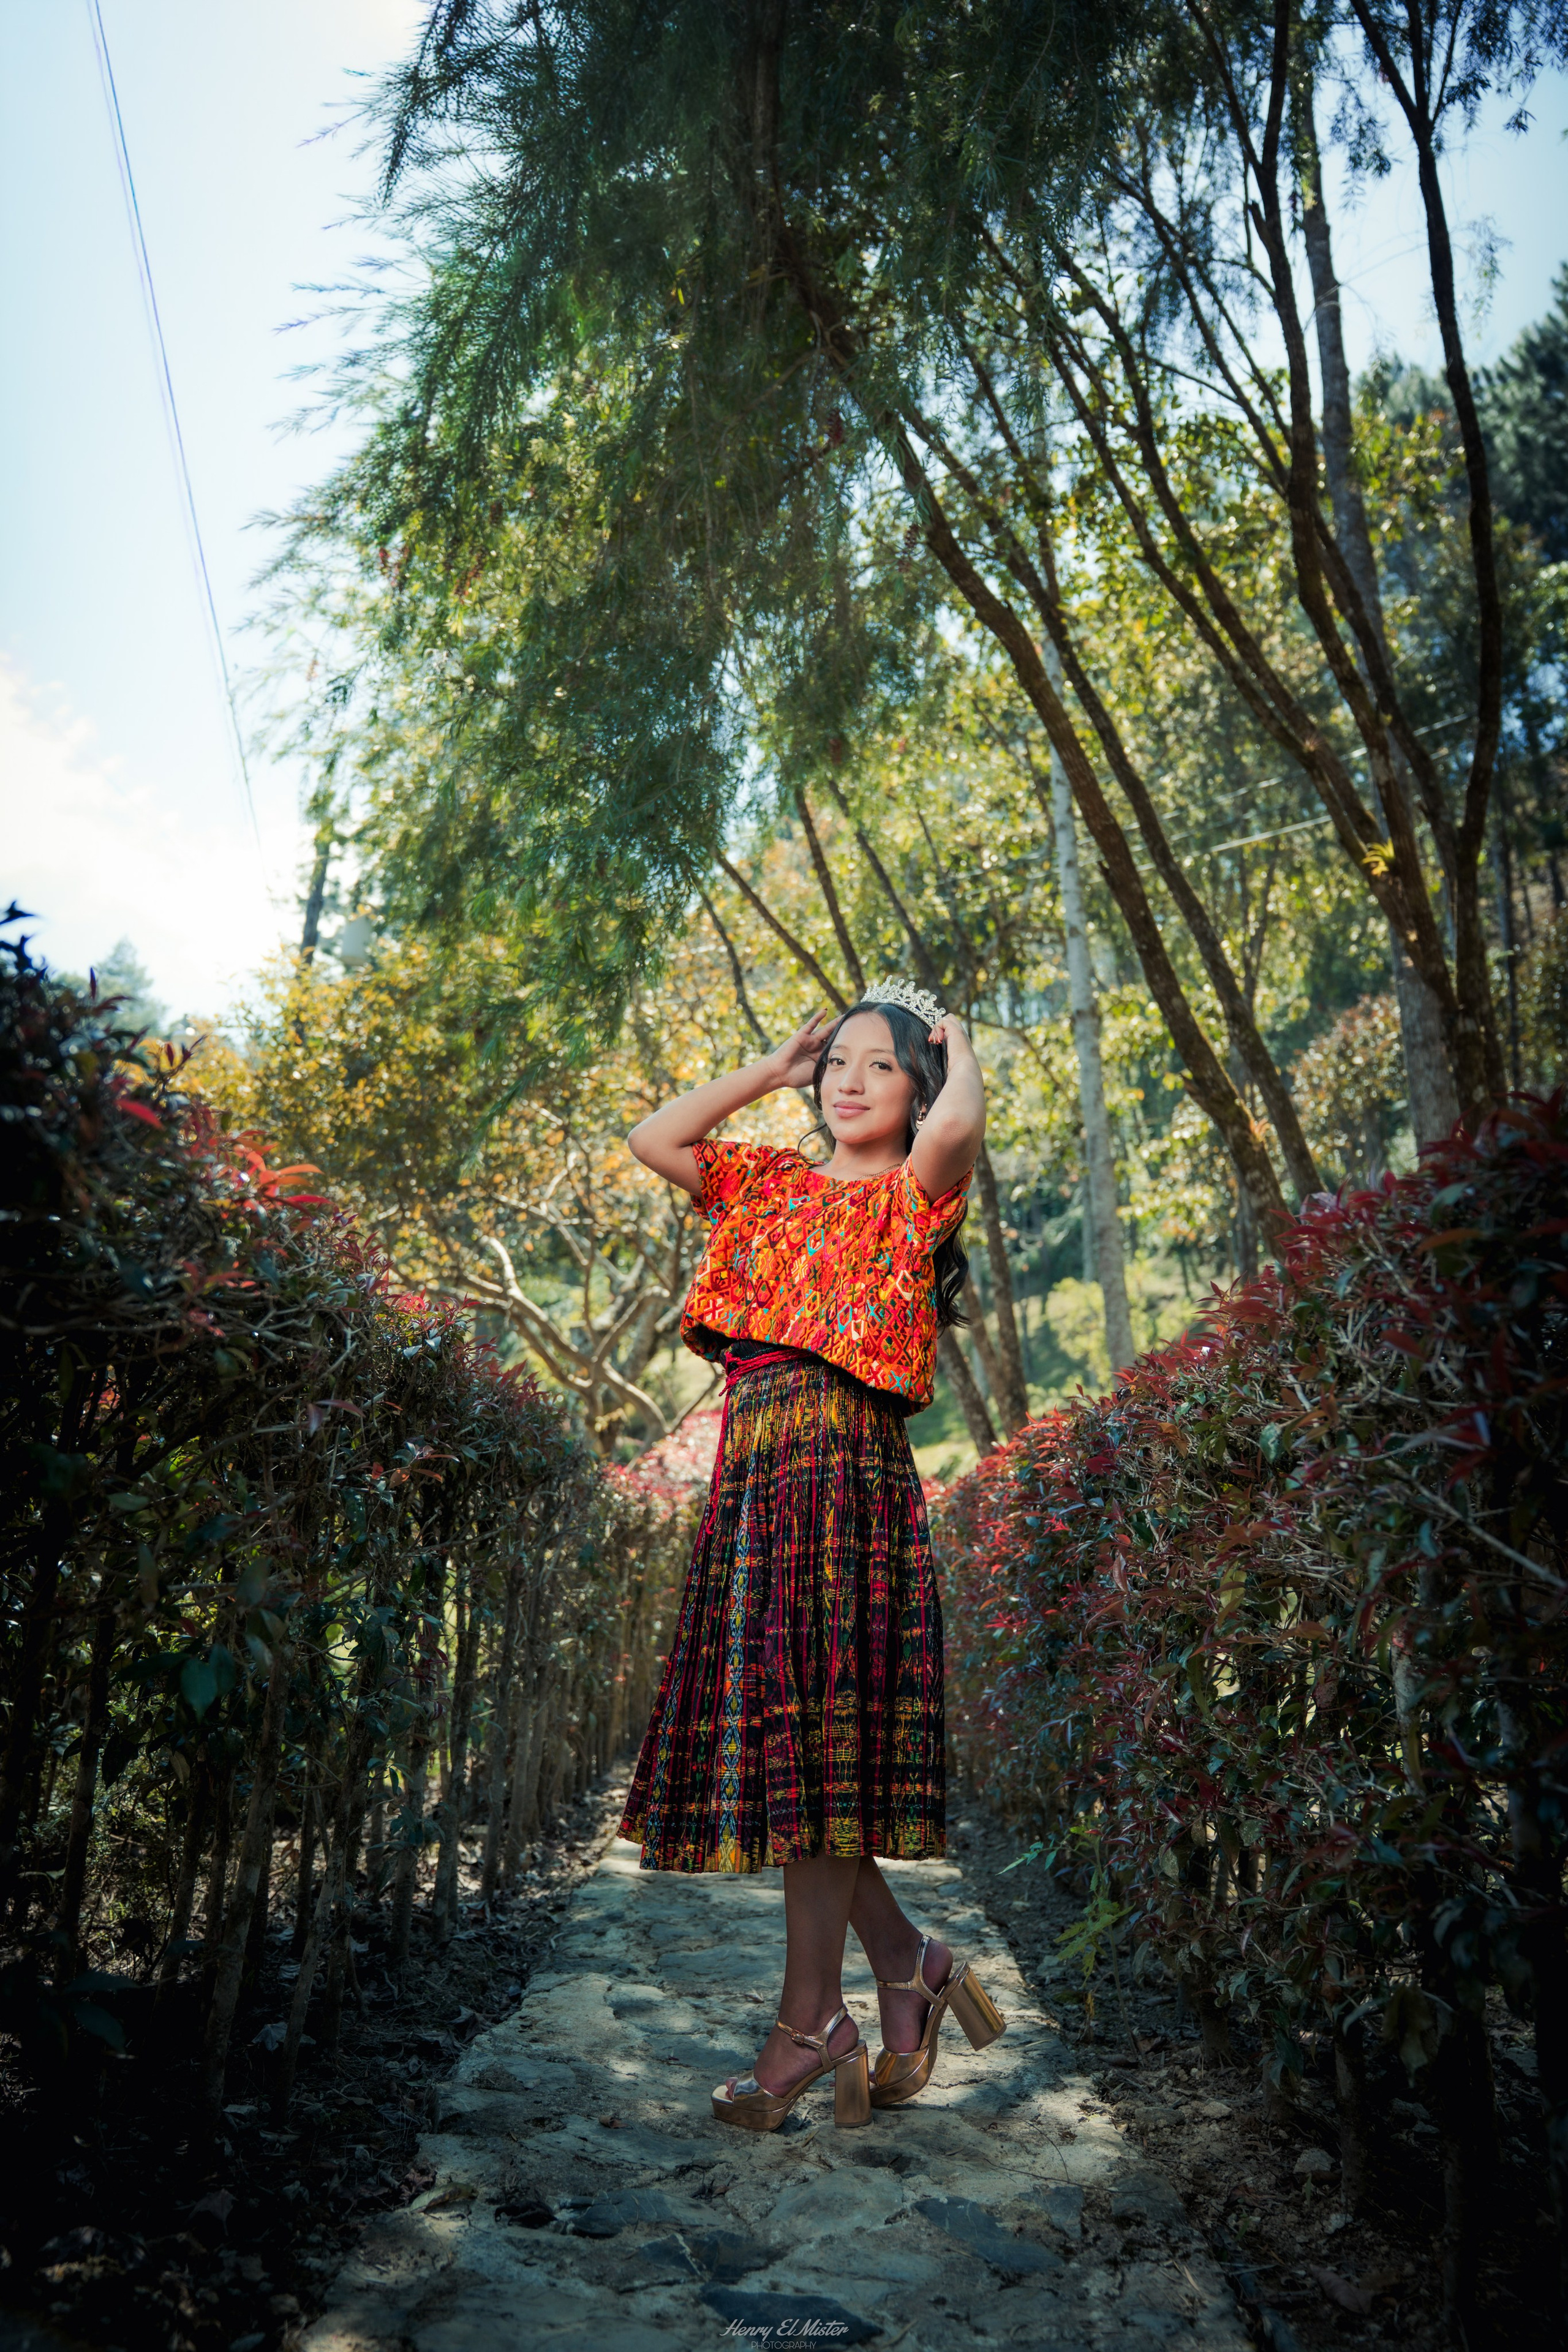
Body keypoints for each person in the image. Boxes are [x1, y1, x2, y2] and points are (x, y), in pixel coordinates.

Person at [619, 978, 1007, 2132]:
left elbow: (960, 1128)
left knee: (823, 1753)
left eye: (879, 1065)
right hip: (758, 1477)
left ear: (916, 1087)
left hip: (847, 1482)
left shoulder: (914, 1196)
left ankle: (810, 2023)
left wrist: (960, 1043)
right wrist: (772, 1069)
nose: (848, 1079)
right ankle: (906, 1965)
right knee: (805, 1756)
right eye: (837, 1062)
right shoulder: (768, 1184)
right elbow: (655, 1136)